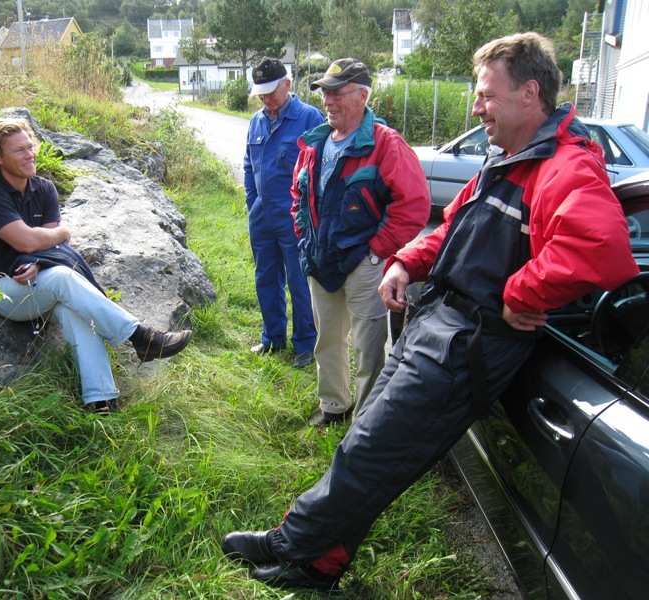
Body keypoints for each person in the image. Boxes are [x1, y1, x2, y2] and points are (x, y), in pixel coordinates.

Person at [221, 33, 639, 591]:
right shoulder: (511, 159)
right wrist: (404, 263)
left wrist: (521, 295)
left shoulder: (564, 168)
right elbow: (448, 228)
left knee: (369, 452)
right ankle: (322, 561)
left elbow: (600, 248)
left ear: (529, 93)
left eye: (487, 95)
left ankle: (288, 542)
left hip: (467, 346)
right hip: (437, 322)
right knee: (368, 446)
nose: (476, 106)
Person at [0, 117, 192, 413]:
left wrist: (40, 255)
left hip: (41, 283)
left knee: (74, 310)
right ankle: (140, 337)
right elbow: (27, 241)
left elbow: (50, 247)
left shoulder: (44, 189)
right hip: (4, 290)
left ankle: (100, 399)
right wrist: (56, 236)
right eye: (19, 151)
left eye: (30, 146)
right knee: (62, 276)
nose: (30, 154)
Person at [289, 58, 430, 426]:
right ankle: (334, 406)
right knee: (327, 339)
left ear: (363, 95)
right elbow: (298, 195)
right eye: (325, 93)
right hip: (320, 261)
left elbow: (414, 206)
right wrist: (305, 239)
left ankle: (366, 420)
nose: (328, 101)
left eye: (337, 93)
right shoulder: (315, 143)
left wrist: (377, 251)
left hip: (365, 263)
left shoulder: (386, 144)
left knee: (369, 347)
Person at [244, 57, 324, 368]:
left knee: (299, 280)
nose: (266, 99)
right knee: (266, 277)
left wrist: (309, 213)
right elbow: (249, 166)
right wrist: (253, 204)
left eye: (271, 92)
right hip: (262, 215)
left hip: (295, 216)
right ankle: (272, 338)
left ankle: (305, 344)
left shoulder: (309, 118)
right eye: (261, 93)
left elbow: (322, 168)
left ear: (287, 85)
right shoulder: (256, 121)